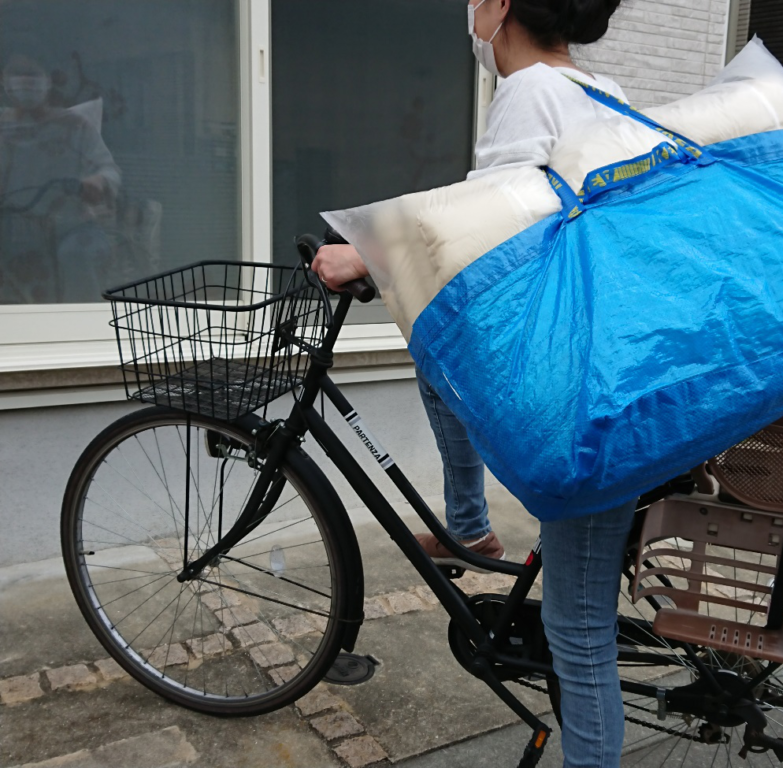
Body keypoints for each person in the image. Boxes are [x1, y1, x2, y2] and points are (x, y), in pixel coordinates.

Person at [313, 1, 634, 765]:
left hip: (587, 402)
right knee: (438, 363)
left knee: (580, 637)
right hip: (614, 367)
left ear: (502, 7)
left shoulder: (531, 93)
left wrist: (367, 256)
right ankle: (468, 524)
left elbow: (496, 225)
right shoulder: (601, 88)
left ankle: (469, 524)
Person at [0, 51, 121, 304]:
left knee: (77, 254)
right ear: (4, 80)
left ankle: (85, 331)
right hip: (9, 227)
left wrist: (97, 182)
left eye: (32, 74)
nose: (24, 81)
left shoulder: (75, 125)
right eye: (16, 74)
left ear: (48, 80)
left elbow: (109, 171)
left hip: (69, 226)